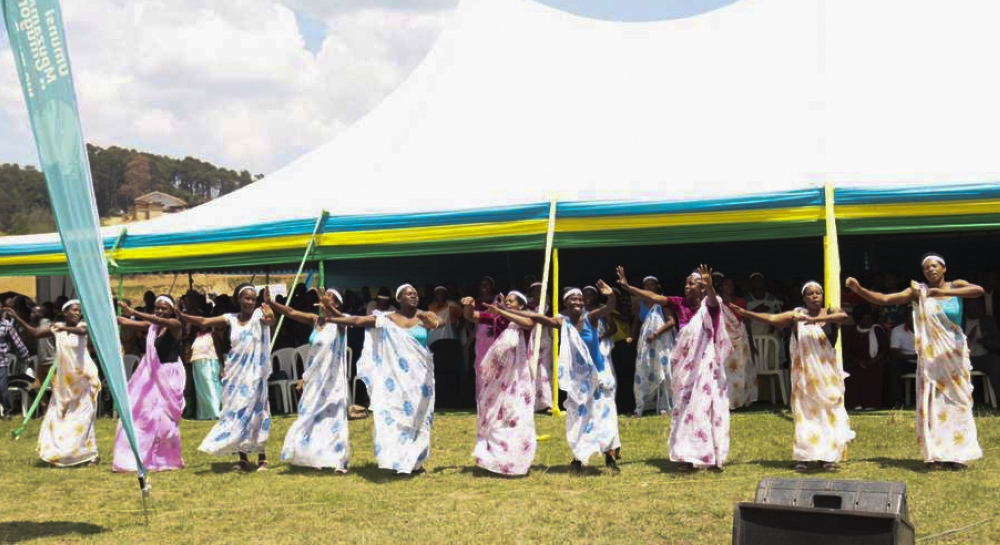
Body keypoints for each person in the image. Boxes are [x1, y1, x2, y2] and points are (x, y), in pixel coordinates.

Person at [846, 253, 984, 469]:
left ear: (944, 268)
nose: (931, 270)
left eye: (935, 266)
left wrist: (943, 291)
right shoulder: (918, 291)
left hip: (953, 354)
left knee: (958, 401)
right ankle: (936, 454)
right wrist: (859, 290)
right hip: (931, 357)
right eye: (927, 268)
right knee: (933, 402)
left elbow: (978, 291)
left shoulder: (956, 285)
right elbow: (885, 299)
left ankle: (957, 454)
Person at [618, 265, 729, 472]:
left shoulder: (711, 305)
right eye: (686, 283)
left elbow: (713, 300)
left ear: (703, 288)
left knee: (707, 409)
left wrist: (711, 286)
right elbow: (653, 296)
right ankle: (687, 456)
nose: (687, 287)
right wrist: (628, 287)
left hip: (707, 368)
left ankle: (711, 456)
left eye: (692, 283)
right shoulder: (679, 304)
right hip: (685, 369)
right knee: (686, 411)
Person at [733, 281, 854, 471]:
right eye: (810, 294)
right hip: (805, 378)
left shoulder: (831, 313)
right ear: (804, 298)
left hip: (827, 377)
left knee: (828, 415)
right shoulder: (796, 316)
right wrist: (747, 314)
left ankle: (828, 457)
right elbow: (772, 318)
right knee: (805, 416)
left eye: (818, 293)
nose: (815, 297)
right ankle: (804, 457)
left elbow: (844, 316)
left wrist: (815, 321)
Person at [504, 282, 621, 474]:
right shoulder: (562, 322)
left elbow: (608, 308)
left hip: (599, 376)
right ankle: (579, 457)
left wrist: (610, 296)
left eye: (580, 299)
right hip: (579, 381)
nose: (578, 302)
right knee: (578, 418)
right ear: (566, 304)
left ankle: (610, 457)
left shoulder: (591, 318)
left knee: (604, 416)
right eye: (574, 299)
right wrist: (503, 311)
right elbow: (535, 316)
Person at [323, 284, 440, 474]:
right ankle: (399, 459)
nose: (413, 296)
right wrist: (333, 317)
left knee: (420, 417)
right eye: (408, 294)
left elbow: (439, 322)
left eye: (415, 294)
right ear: (399, 299)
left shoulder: (424, 316)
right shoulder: (388, 319)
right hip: (396, 379)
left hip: (420, 379)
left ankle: (416, 462)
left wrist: (432, 322)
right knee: (397, 416)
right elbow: (359, 320)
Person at [179, 284, 276, 472]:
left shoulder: (259, 315)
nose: (250, 302)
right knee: (236, 413)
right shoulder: (230, 319)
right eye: (246, 298)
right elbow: (204, 321)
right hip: (235, 375)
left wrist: (269, 306)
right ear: (238, 299)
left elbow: (270, 321)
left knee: (257, 414)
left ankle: (262, 458)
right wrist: (183, 316)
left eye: (253, 299)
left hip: (255, 375)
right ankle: (242, 457)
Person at [9, 300, 101, 466]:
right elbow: (36, 333)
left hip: (84, 380)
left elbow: (82, 331)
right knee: (59, 416)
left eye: (79, 310)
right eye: (73, 310)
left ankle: (91, 454)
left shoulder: (82, 325)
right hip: (65, 383)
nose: (77, 313)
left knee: (84, 417)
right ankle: (58, 452)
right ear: (64, 312)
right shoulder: (56, 327)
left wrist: (64, 329)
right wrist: (17, 317)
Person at [269, 289, 352, 472]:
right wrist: (271, 303)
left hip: (332, 380)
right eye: (324, 297)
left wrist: (330, 308)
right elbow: (291, 313)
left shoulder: (341, 321)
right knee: (312, 416)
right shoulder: (316, 321)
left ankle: (339, 461)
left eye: (329, 298)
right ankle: (316, 457)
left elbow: (344, 321)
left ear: (336, 304)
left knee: (334, 416)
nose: (323, 299)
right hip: (314, 379)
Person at [462, 291, 537, 476]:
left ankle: (516, 462)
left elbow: (528, 323)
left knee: (515, 415)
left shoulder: (526, 317)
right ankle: (494, 460)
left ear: (521, 306)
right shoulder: (498, 318)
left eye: (511, 302)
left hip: (518, 377)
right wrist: (469, 304)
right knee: (495, 414)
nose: (507, 303)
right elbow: (471, 316)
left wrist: (502, 311)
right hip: (498, 377)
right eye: (506, 301)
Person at [112, 296, 186, 472]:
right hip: (149, 375)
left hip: (168, 376)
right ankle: (135, 455)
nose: (160, 311)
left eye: (164, 308)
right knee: (141, 413)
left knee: (164, 420)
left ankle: (164, 457)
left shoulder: (175, 325)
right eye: (157, 308)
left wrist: (134, 312)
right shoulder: (151, 327)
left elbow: (159, 320)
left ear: (171, 310)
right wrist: (109, 312)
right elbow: (124, 322)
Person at [843, 304, 889, 410]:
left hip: (875, 361)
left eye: (869, 319)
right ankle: (855, 404)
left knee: (875, 371)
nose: (868, 322)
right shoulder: (851, 333)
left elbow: (884, 350)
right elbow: (847, 352)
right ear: (858, 321)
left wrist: (871, 362)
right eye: (865, 319)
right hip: (856, 362)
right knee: (850, 371)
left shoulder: (877, 330)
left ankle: (872, 403)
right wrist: (858, 361)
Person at [472, 276, 504, 402]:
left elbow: (504, 315)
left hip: (495, 335)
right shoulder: (476, 301)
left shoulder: (499, 298)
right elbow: (474, 321)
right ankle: (483, 398)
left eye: (487, 285)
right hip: (481, 337)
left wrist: (495, 326)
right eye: (482, 285)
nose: (484, 287)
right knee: (481, 365)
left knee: (496, 365)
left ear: (492, 286)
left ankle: (496, 398)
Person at [189, 303, 223, 420]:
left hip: (210, 363)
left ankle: (215, 412)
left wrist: (221, 367)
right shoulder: (196, 335)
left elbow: (219, 352)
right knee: (201, 390)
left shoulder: (213, 335)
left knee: (211, 386)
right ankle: (204, 414)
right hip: (197, 364)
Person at [963, 296, 1000, 400]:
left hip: (983, 357)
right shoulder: (959, 321)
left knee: (996, 362)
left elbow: (997, 343)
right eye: (973, 306)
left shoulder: (989, 321)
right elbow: (951, 344)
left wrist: (987, 342)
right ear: (966, 307)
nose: (977, 309)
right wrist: (968, 338)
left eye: (979, 306)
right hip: (964, 358)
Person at [0, 302, 31, 418]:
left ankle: (7, 411)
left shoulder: (6, 325)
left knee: (2, 387)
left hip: (1, 361)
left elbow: (17, 341)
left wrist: (25, 356)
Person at [527, 282, 553, 413]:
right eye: (535, 291)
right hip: (530, 339)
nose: (538, 293)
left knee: (544, 370)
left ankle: (547, 403)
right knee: (531, 370)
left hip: (544, 339)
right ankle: (532, 403)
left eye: (540, 290)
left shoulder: (546, 305)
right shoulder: (526, 305)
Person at [888, 307, 917, 408]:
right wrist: (913, 356)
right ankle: (898, 402)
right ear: (905, 317)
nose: (913, 318)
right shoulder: (897, 330)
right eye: (910, 316)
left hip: (924, 361)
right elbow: (894, 352)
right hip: (906, 361)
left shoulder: (927, 328)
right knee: (893, 365)